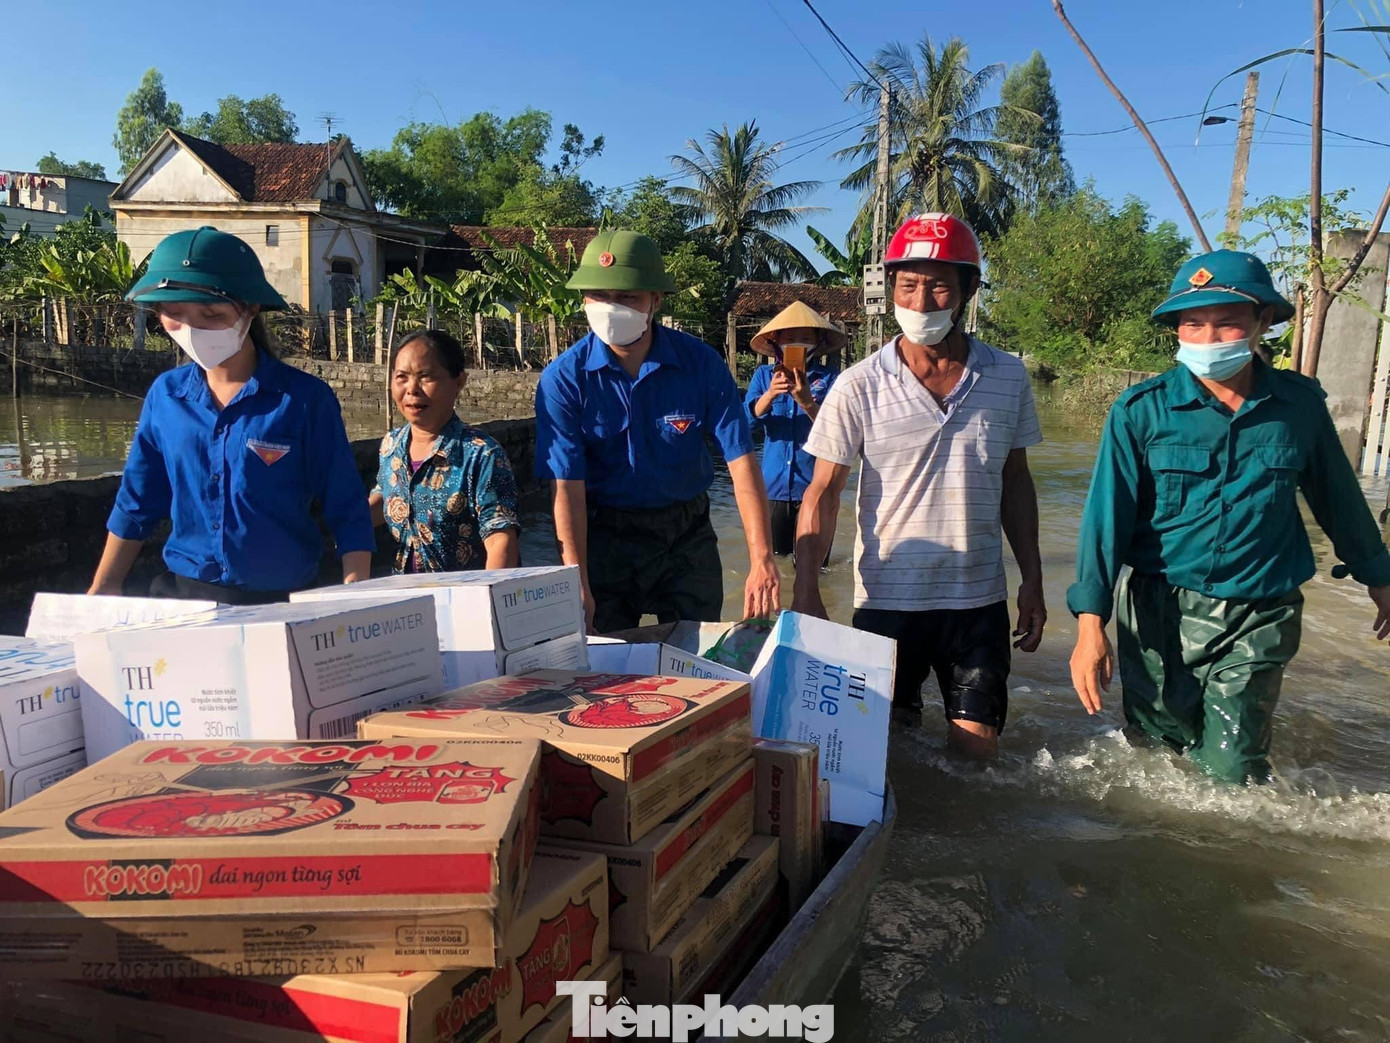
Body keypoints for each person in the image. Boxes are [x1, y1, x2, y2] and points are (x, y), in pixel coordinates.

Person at [1067, 249, 1390, 784]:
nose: (1209, 339)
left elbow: (1339, 501)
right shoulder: (1140, 411)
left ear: (1263, 321)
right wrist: (1089, 625)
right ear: (1176, 329)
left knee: (1232, 772)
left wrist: (1380, 577)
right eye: (1193, 324)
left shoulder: (1300, 407)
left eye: (1228, 323)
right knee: (1156, 758)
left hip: (1261, 609)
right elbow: (1106, 521)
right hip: (1157, 609)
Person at [791, 213, 1046, 758]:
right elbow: (822, 492)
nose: (921, 300)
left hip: (977, 600)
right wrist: (807, 589)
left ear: (967, 291)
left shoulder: (1008, 376)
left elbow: (1016, 481)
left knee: (976, 759)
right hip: (887, 599)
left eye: (937, 286)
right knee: (883, 754)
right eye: (908, 285)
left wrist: (1033, 580)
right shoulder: (857, 384)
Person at [89, 226, 374, 603]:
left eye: (211, 314)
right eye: (174, 313)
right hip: (186, 598)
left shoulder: (304, 400)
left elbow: (346, 506)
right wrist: (104, 585)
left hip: (283, 601)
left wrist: (357, 592)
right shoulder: (166, 395)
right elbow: (137, 500)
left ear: (251, 308)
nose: (192, 329)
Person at [534, 229, 780, 634]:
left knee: (698, 655)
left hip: (685, 535)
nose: (611, 307)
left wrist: (762, 557)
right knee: (607, 664)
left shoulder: (700, 364)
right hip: (605, 535)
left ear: (656, 300)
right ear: (583, 299)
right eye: (599, 295)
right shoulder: (564, 379)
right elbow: (566, 487)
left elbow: (740, 461)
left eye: (628, 296)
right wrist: (574, 580)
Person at [370, 329, 520, 573]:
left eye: (425, 376)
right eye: (402, 377)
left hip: (463, 600)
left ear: (459, 381)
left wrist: (487, 601)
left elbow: (500, 539)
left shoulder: (481, 454)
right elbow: (385, 495)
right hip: (407, 601)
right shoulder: (391, 445)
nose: (412, 389)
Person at [744, 301, 843, 562]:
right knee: (774, 564)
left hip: (816, 486)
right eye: (789, 338)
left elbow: (839, 433)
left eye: (805, 338)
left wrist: (808, 402)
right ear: (776, 341)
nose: (797, 343)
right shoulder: (764, 376)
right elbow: (745, 427)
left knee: (815, 567)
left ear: (818, 343)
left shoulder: (832, 378)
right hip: (774, 487)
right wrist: (769, 396)